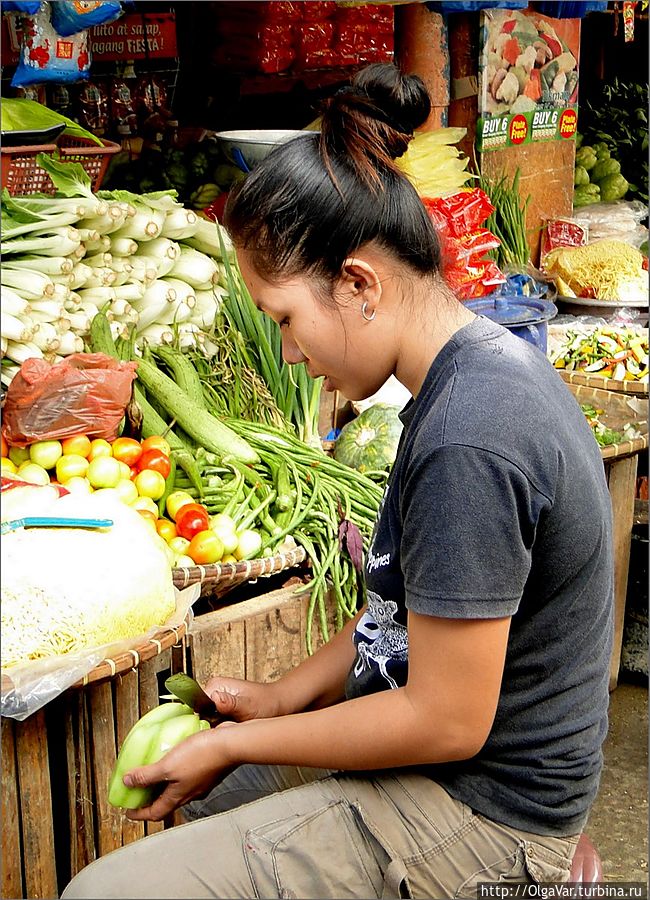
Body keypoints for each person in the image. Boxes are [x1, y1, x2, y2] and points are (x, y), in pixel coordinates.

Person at [61, 63, 613, 900]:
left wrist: (242, 742)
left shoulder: (472, 435)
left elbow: (445, 719)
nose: (289, 352)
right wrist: (278, 700)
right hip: (462, 780)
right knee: (223, 796)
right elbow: (400, 612)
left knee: (103, 894)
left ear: (357, 284)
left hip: (490, 820)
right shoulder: (468, 372)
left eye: (286, 319)